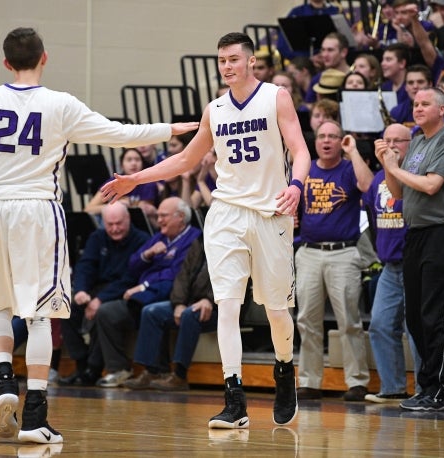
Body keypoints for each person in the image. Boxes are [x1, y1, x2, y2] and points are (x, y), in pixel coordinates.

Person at [0, 27, 198, 444]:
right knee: (41, 314)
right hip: (38, 210)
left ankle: (3, 383)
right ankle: (35, 413)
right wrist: (173, 128)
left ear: (5, 63)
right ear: (45, 58)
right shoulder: (60, 104)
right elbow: (119, 134)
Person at [101, 32, 311, 428]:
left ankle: (284, 372)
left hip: (270, 212)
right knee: (227, 304)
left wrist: (297, 187)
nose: (227, 66)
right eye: (222, 60)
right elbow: (186, 158)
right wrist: (137, 178)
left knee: (276, 310)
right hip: (226, 213)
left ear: (250, 62)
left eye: (234, 59)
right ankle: (234, 398)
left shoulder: (276, 97)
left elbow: (300, 150)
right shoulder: (214, 109)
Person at [377, 87, 444, 411]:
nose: (417, 108)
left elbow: (432, 185)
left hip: (441, 232)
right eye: (416, 104)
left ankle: (441, 390)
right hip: (415, 234)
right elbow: (399, 193)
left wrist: (394, 168)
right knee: (416, 316)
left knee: (435, 315)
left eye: (425, 104)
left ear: (441, 109)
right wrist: (387, 164)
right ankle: (427, 387)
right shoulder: (417, 140)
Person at [295, 120, 374, 402]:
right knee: (307, 320)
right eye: (322, 136)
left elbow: (367, 185)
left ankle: (356, 382)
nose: (326, 141)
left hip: (343, 253)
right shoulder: (305, 169)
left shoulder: (349, 168)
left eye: (333, 136)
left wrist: (353, 153)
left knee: (349, 321)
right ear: (315, 142)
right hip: (308, 252)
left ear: (341, 141)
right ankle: (309, 381)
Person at [93, 197, 201, 388]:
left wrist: (144, 286)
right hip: (144, 294)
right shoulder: (160, 236)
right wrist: (147, 254)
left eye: (164, 216)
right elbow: (132, 265)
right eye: (158, 215)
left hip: (169, 293)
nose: (158, 220)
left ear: (181, 217)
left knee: (150, 310)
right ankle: (118, 368)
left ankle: (155, 370)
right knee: (106, 312)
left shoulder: (193, 238)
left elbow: (176, 274)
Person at [356, 123, 421, 403]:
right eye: (387, 140)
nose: (392, 145)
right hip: (389, 267)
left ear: (412, 144)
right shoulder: (377, 181)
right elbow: (371, 218)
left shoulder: (416, 175)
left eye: (399, 140)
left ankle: (426, 389)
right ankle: (393, 387)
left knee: (417, 328)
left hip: (416, 265)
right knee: (380, 325)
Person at [58, 201, 149, 386]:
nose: (115, 229)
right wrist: (81, 290)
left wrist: (99, 299)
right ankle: (82, 365)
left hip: (124, 293)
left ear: (128, 219)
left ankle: (93, 368)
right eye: (110, 224)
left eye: (119, 223)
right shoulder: (97, 237)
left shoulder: (143, 240)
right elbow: (85, 265)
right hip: (96, 289)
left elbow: (130, 278)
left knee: (103, 312)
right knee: (65, 308)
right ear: (103, 222)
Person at [124, 236, 217, 391]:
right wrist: (179, 302)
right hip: (191, 301)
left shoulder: (235, 241)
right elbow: (183, 275)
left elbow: (235, 277)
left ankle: (180, 376)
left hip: (221, 306)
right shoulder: (200, 241)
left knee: (189, 314)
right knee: (151, 312)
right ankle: (152, 372)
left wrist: (210, 300)